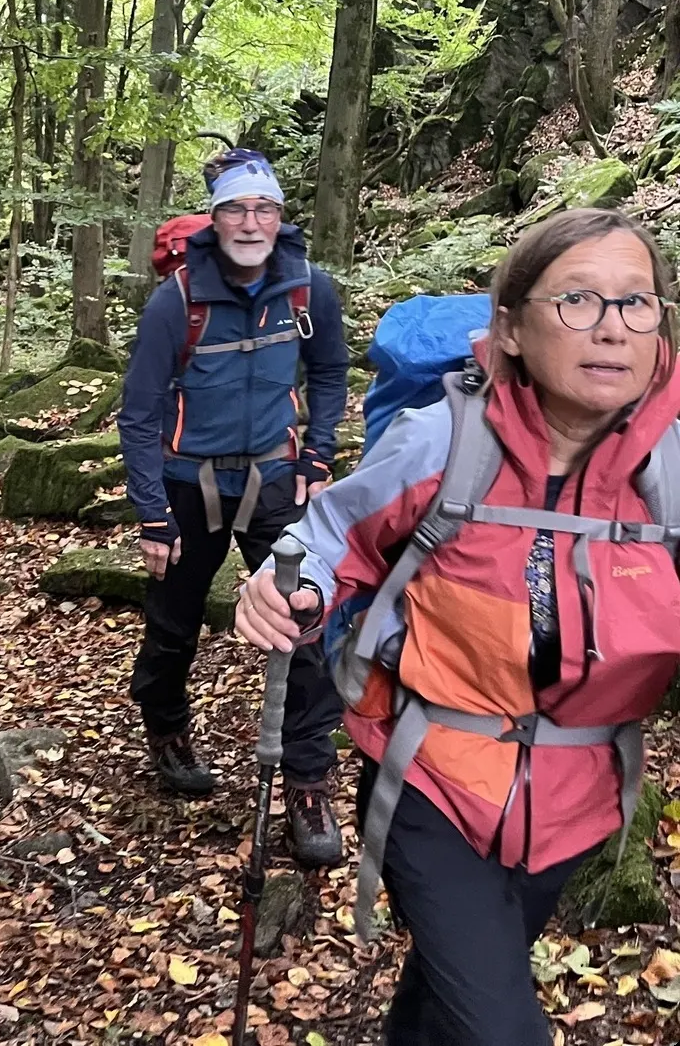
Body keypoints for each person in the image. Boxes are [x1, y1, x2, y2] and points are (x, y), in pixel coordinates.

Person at [236, 207, 680, 1045]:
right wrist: (282, 585)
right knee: (504, 1029)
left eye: (637, 302)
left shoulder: (672, 472)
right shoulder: (443, 441)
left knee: (453, 1000)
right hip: (430, 779)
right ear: (509, 327)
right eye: (578, 300)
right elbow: (329, 536)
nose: (613, 327)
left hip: (576, 800)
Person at [119, 148, 349, 866]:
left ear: (280, 218)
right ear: (214, 219)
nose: (251, 222)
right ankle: (166, 728)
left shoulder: (310, 289)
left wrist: (318, 452)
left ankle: (307, 783)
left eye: (264, 209)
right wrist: (152, 513)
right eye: (236, 210)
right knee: (172, 627)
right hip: (187, 486)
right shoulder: (177, 298)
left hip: (276, 482)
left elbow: (331, 370)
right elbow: (139, 409)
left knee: (307, 622)